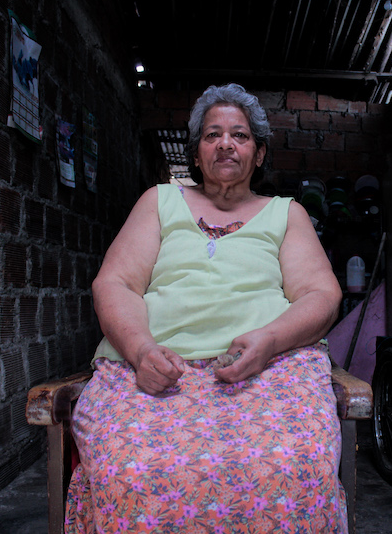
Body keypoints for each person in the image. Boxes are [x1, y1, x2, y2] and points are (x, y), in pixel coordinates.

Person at [65, 83, 347, 533]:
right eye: (212, 135)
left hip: (267, 369)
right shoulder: (160, 201)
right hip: (157, 368)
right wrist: (141, 352)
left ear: (259, 154)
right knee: (128, 470)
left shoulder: (285, 213)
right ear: (196, 155)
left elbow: (321, 295)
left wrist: (270, 340)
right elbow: (115, 283)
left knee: (295, 466)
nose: (225, 144)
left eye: (240, 135)